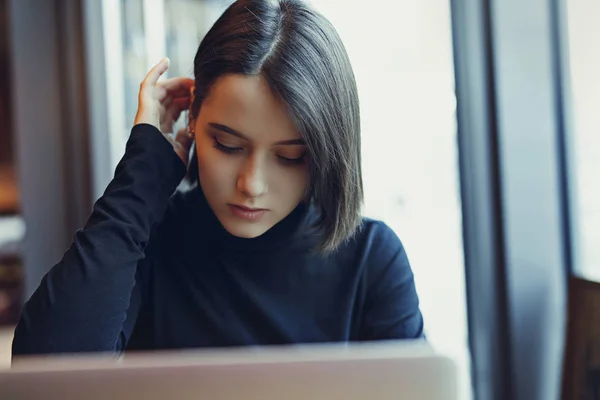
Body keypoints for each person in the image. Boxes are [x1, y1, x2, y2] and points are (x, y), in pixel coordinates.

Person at [12, 0, 424, 356]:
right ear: (192, 118)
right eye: (228, 145)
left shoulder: (371, 260)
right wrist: (143, 170)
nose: (251, 184)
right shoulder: (145, 244)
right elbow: (46, 377)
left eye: (289, 157)